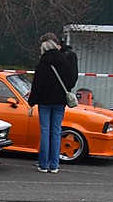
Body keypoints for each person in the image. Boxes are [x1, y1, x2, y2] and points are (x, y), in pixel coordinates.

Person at [26, 32, 78, 173]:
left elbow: (37, 86)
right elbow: (71, 81)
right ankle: (54, 165)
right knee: (56, 132)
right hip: (60, 101)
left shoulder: (42, 64)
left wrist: (32, 102)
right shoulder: (64, 61)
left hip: (44, 102)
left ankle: (43, 165)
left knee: (45, 132)